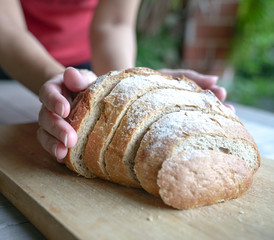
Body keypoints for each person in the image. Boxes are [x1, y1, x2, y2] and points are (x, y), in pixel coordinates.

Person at [0, 0, 231, 163]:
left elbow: (113, 24)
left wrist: (129, 87)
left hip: (85, 64)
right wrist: (56, 78)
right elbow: (6, 26)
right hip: (12, 57)